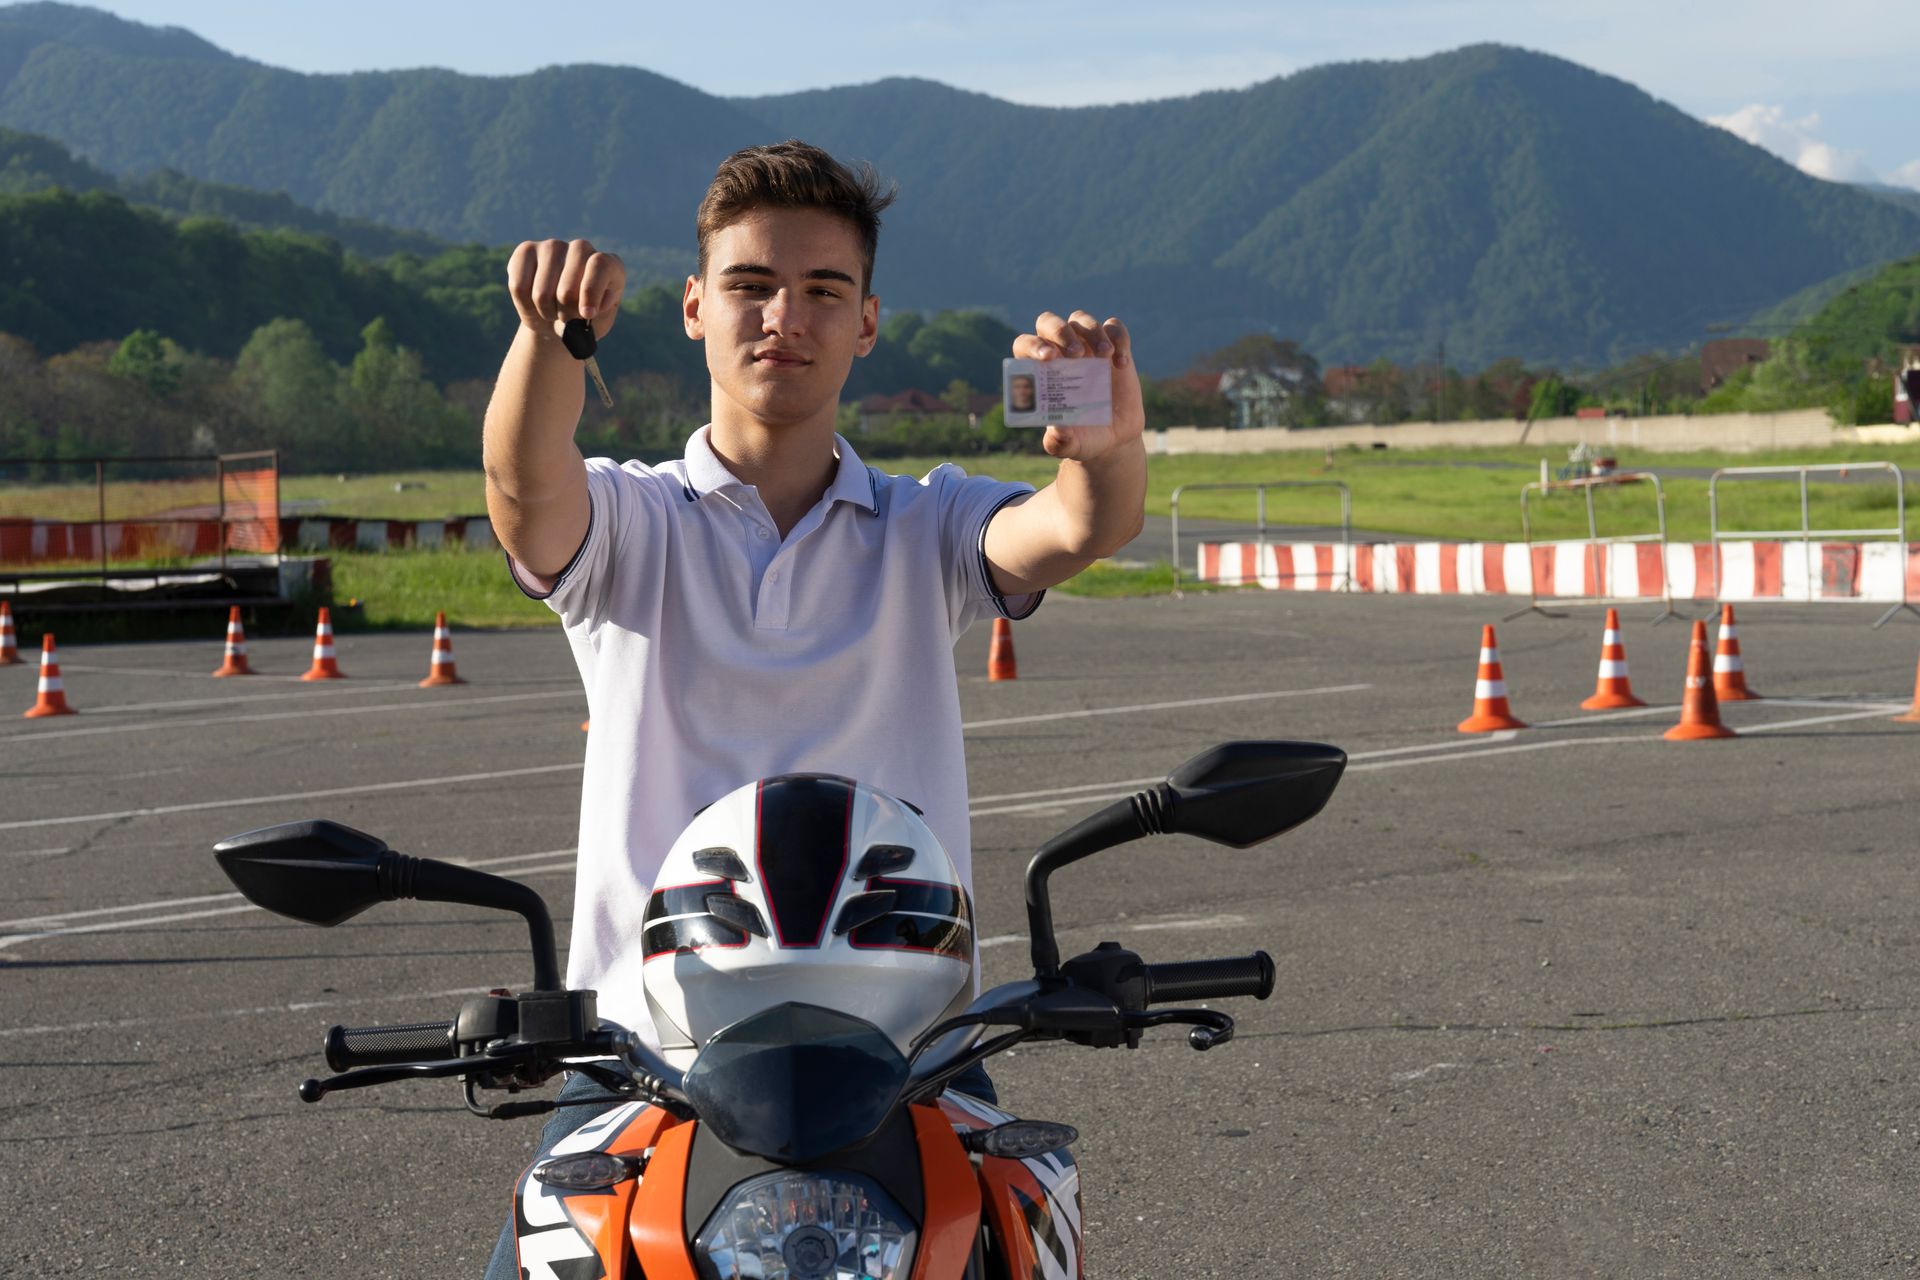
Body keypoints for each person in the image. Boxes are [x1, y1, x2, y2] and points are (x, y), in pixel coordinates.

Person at [480, 139, 1143, 1277]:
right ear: (694, 307)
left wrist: (1108, 447)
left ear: (867, 322)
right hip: (650, 1052)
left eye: (823, 289)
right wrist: (548, 341)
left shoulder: (925, 525)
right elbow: (526, 488)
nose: (785, 313)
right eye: (750, 284)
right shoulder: (633, 522)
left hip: (909, 1047)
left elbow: (1075, 526)